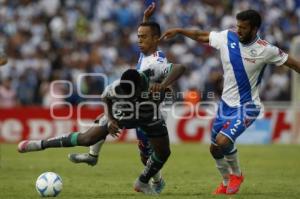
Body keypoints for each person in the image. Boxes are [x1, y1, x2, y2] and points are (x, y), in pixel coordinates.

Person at [160, 9, 300, 195]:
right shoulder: (227, 37)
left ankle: (237, 175)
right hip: (225, 104)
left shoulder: (266, 50)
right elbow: (201, 35)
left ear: (255, 29)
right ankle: (226, 181)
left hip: (248, 106)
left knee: (223, 140)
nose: (238, 30)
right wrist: (179, 30)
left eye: (243, 28)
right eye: (238, 26)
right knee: (214, 148)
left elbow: (293, 64)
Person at [18, 63, 185, 195]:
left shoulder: (152, 73)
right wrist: (111, 120)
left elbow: (180, 68)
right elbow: (105, 97)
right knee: (86, 139)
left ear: (141, 84)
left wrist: (163, 85)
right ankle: (39, 144)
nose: (131, 96)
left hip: (150, 116)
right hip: (124, 114)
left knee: (163, 152)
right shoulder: (119, 86)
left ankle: (142, 181)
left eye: (133, 93)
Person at [68, 2, 172, 194]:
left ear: (154, 39)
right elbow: (149, 35)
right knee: (107, 119)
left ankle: (156, 181)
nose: (139, 40)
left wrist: (160, 88)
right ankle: (93, 155)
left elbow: (159, 79)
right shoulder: (146, 53)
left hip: (148, 110)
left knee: (146, 153)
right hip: (137, 105)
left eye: (143, 38)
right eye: (138, 37)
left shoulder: (157, 61)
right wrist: (146, 19)